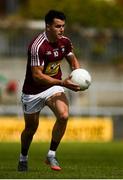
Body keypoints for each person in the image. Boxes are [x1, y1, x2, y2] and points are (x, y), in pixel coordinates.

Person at [18, 9, 82, 172]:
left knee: (64, 115)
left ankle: (51, 154)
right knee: (31, 129)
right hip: (33, 91)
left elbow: (72, 59)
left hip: (53, 87)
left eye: (63, 26)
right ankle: (23, 157)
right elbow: (37, 76)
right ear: (47, 26)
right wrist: (64, 82)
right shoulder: (37, 46)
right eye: (57, 26)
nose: (61, 29)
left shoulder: (65, 41)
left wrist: (77, 73)